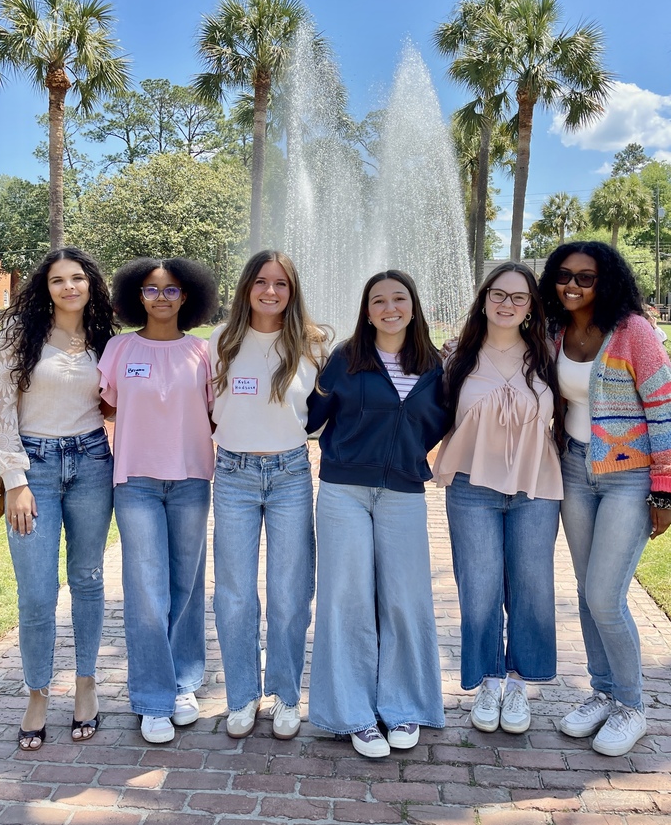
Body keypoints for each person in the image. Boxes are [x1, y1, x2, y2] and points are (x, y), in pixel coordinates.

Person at [540, 242, 671, 757]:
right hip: (575, 472)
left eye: (587, 276)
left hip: (630, 478)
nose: (574, 284)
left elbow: (666, 409)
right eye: (564, 275)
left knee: (606, 594)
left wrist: (668, 490)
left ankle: (632, 706)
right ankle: (603, 693)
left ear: (608, 281)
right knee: (587, 592)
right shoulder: (557, 331)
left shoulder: (633, 332)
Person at [306, 270, 449, 758]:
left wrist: (408, 457)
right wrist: (301, 363)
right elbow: (309, 418)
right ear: (367, 311)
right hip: (343, 490)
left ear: (414, 305)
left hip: (404, 493)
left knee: (405, 600)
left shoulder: (436, 366)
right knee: (346, 599)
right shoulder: (345, 358)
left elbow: (440, 423)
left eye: (399, 298)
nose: (390, 308)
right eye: (379, 301)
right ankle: (353, 714)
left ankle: (404, 706)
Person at [0, 247, 116, 750]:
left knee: (88, 579)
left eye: (77, 278)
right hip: (34, 468)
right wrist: (14, 479)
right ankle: (37, 692)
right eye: (58, 280)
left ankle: (85, 685)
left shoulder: (104, 338)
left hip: (93, 465)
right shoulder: (20, 337)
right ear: (45, 288)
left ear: (90, 285)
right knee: (37, 591)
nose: (69, 287)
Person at [433, 263, 563, 735]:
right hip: (472, 489)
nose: (507, 304)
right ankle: (488, 680)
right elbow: (430, 414)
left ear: (531, 307)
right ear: (484, 298)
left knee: (531, 588)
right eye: (499, 294)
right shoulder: (457, 356)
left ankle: (519, 684)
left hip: (535, 489)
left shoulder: (548, 355)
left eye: (519, 297)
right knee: (480, 588)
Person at [208, 250, 328, 740]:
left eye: (281, 284)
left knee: (290, 591)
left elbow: (324, 412)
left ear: (292, 290)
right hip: (233, 474)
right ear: (247, 287)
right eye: (261, 282)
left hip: (290, 474)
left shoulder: (314, 344)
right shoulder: (222, 340)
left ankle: (285, 694)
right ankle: (240, 697)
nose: (271, 292)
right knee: (234, 593)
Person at [98, 257, 218, 745]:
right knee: (147, 592)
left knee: (187, 586)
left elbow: (215, 413)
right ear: (137, 296)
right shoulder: (118, 348)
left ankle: (185, 685)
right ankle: (152, 698)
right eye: (151, 290)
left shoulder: (205, 352)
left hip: (191, 478)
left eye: (171, 290)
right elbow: (107, 403)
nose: (162, 298)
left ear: (186, 296)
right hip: (135, 482)